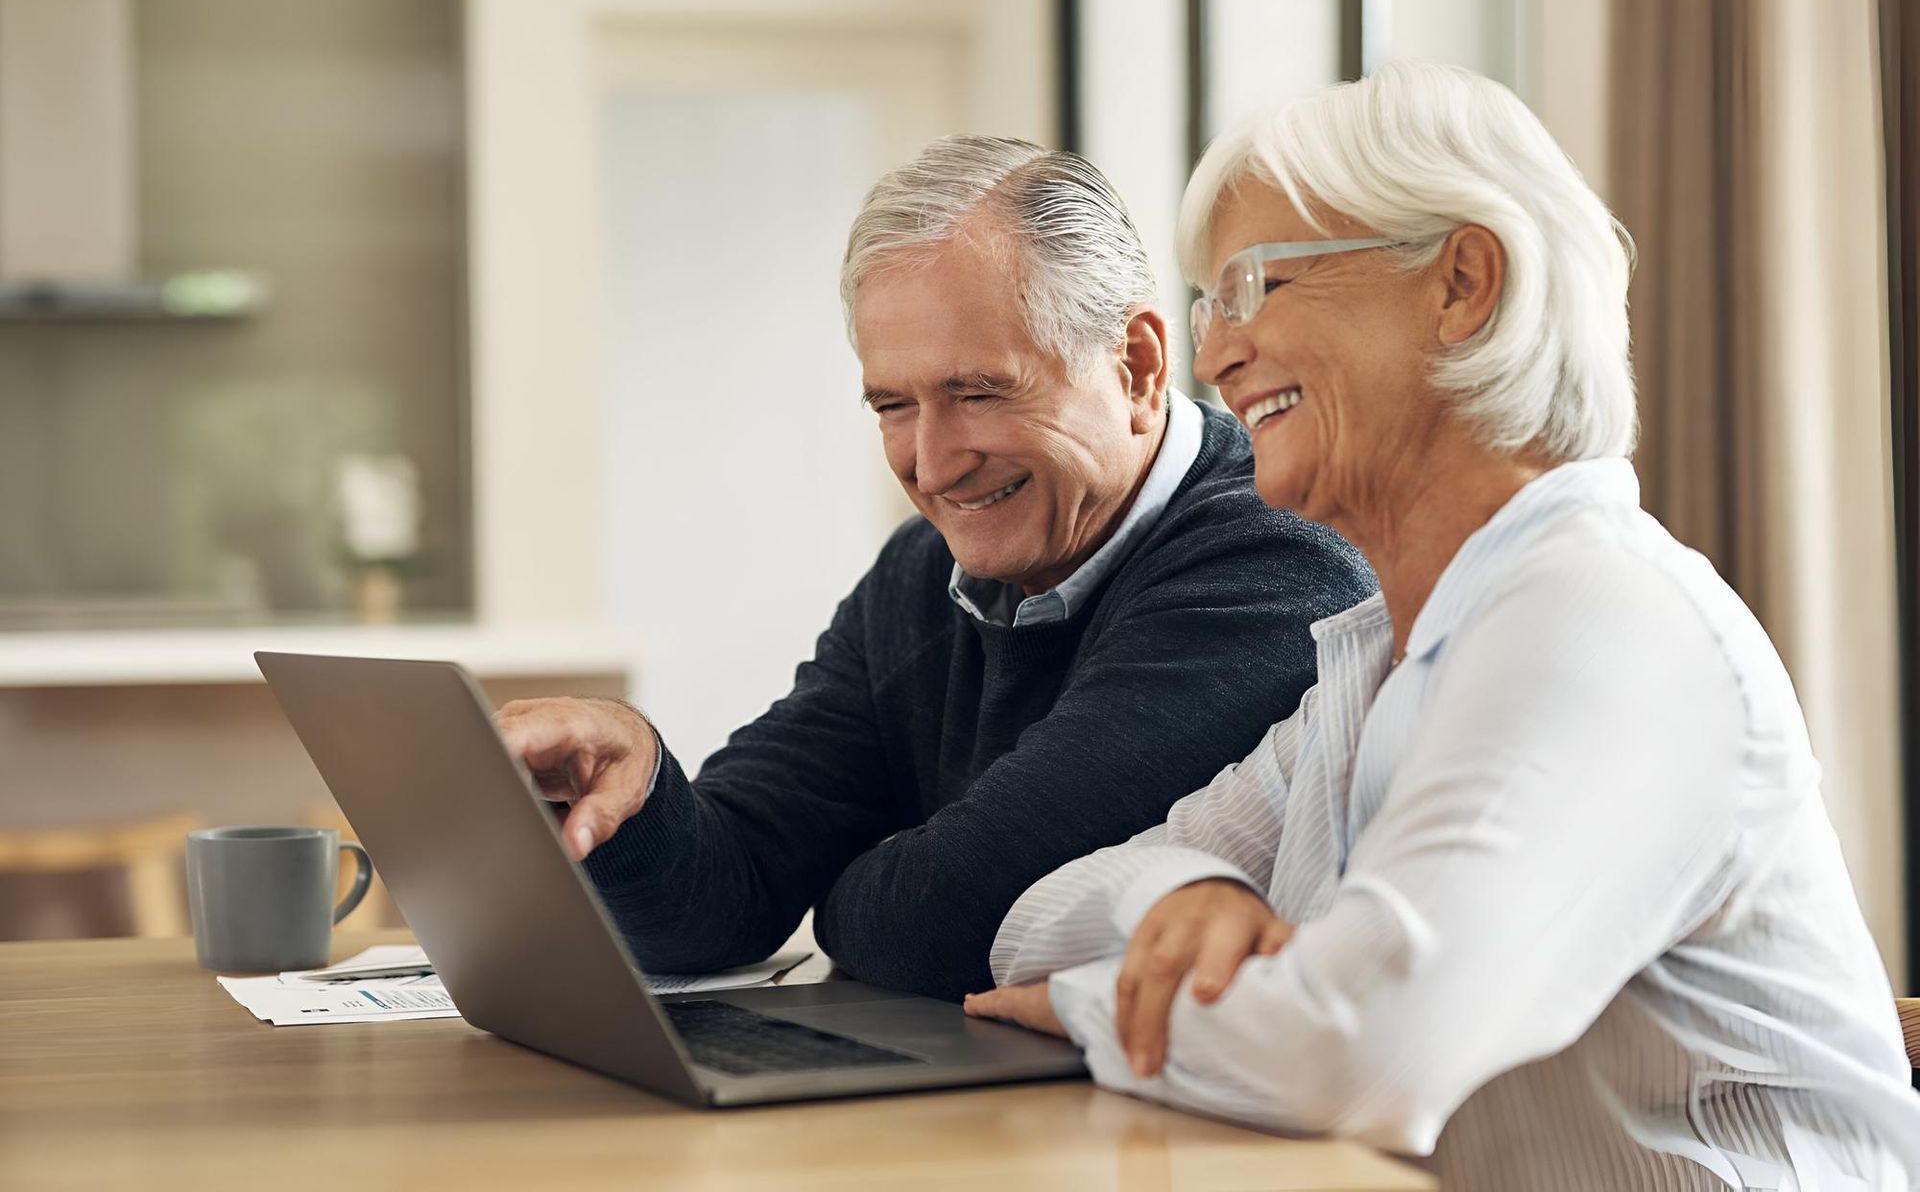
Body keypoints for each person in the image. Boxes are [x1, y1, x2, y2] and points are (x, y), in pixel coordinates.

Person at [966, 64, 1920, 1188]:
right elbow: (1030, 923)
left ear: (1463, 283)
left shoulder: (1606, 624)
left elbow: (1361, 1056)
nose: (1215, 355)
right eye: (1209, 304)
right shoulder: (1377, 663)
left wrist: (1087, 1010)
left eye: (1254, 285)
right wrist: (1184, 896)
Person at [495, 136, 1375, 1003]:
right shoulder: (925, 570)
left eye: (979, 392)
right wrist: (637, 781)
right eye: (893, 406)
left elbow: (951, 922)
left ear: (1138, 366)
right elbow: (728, 895)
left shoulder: (1275, 557)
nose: (934, 462)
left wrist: (839, 897)